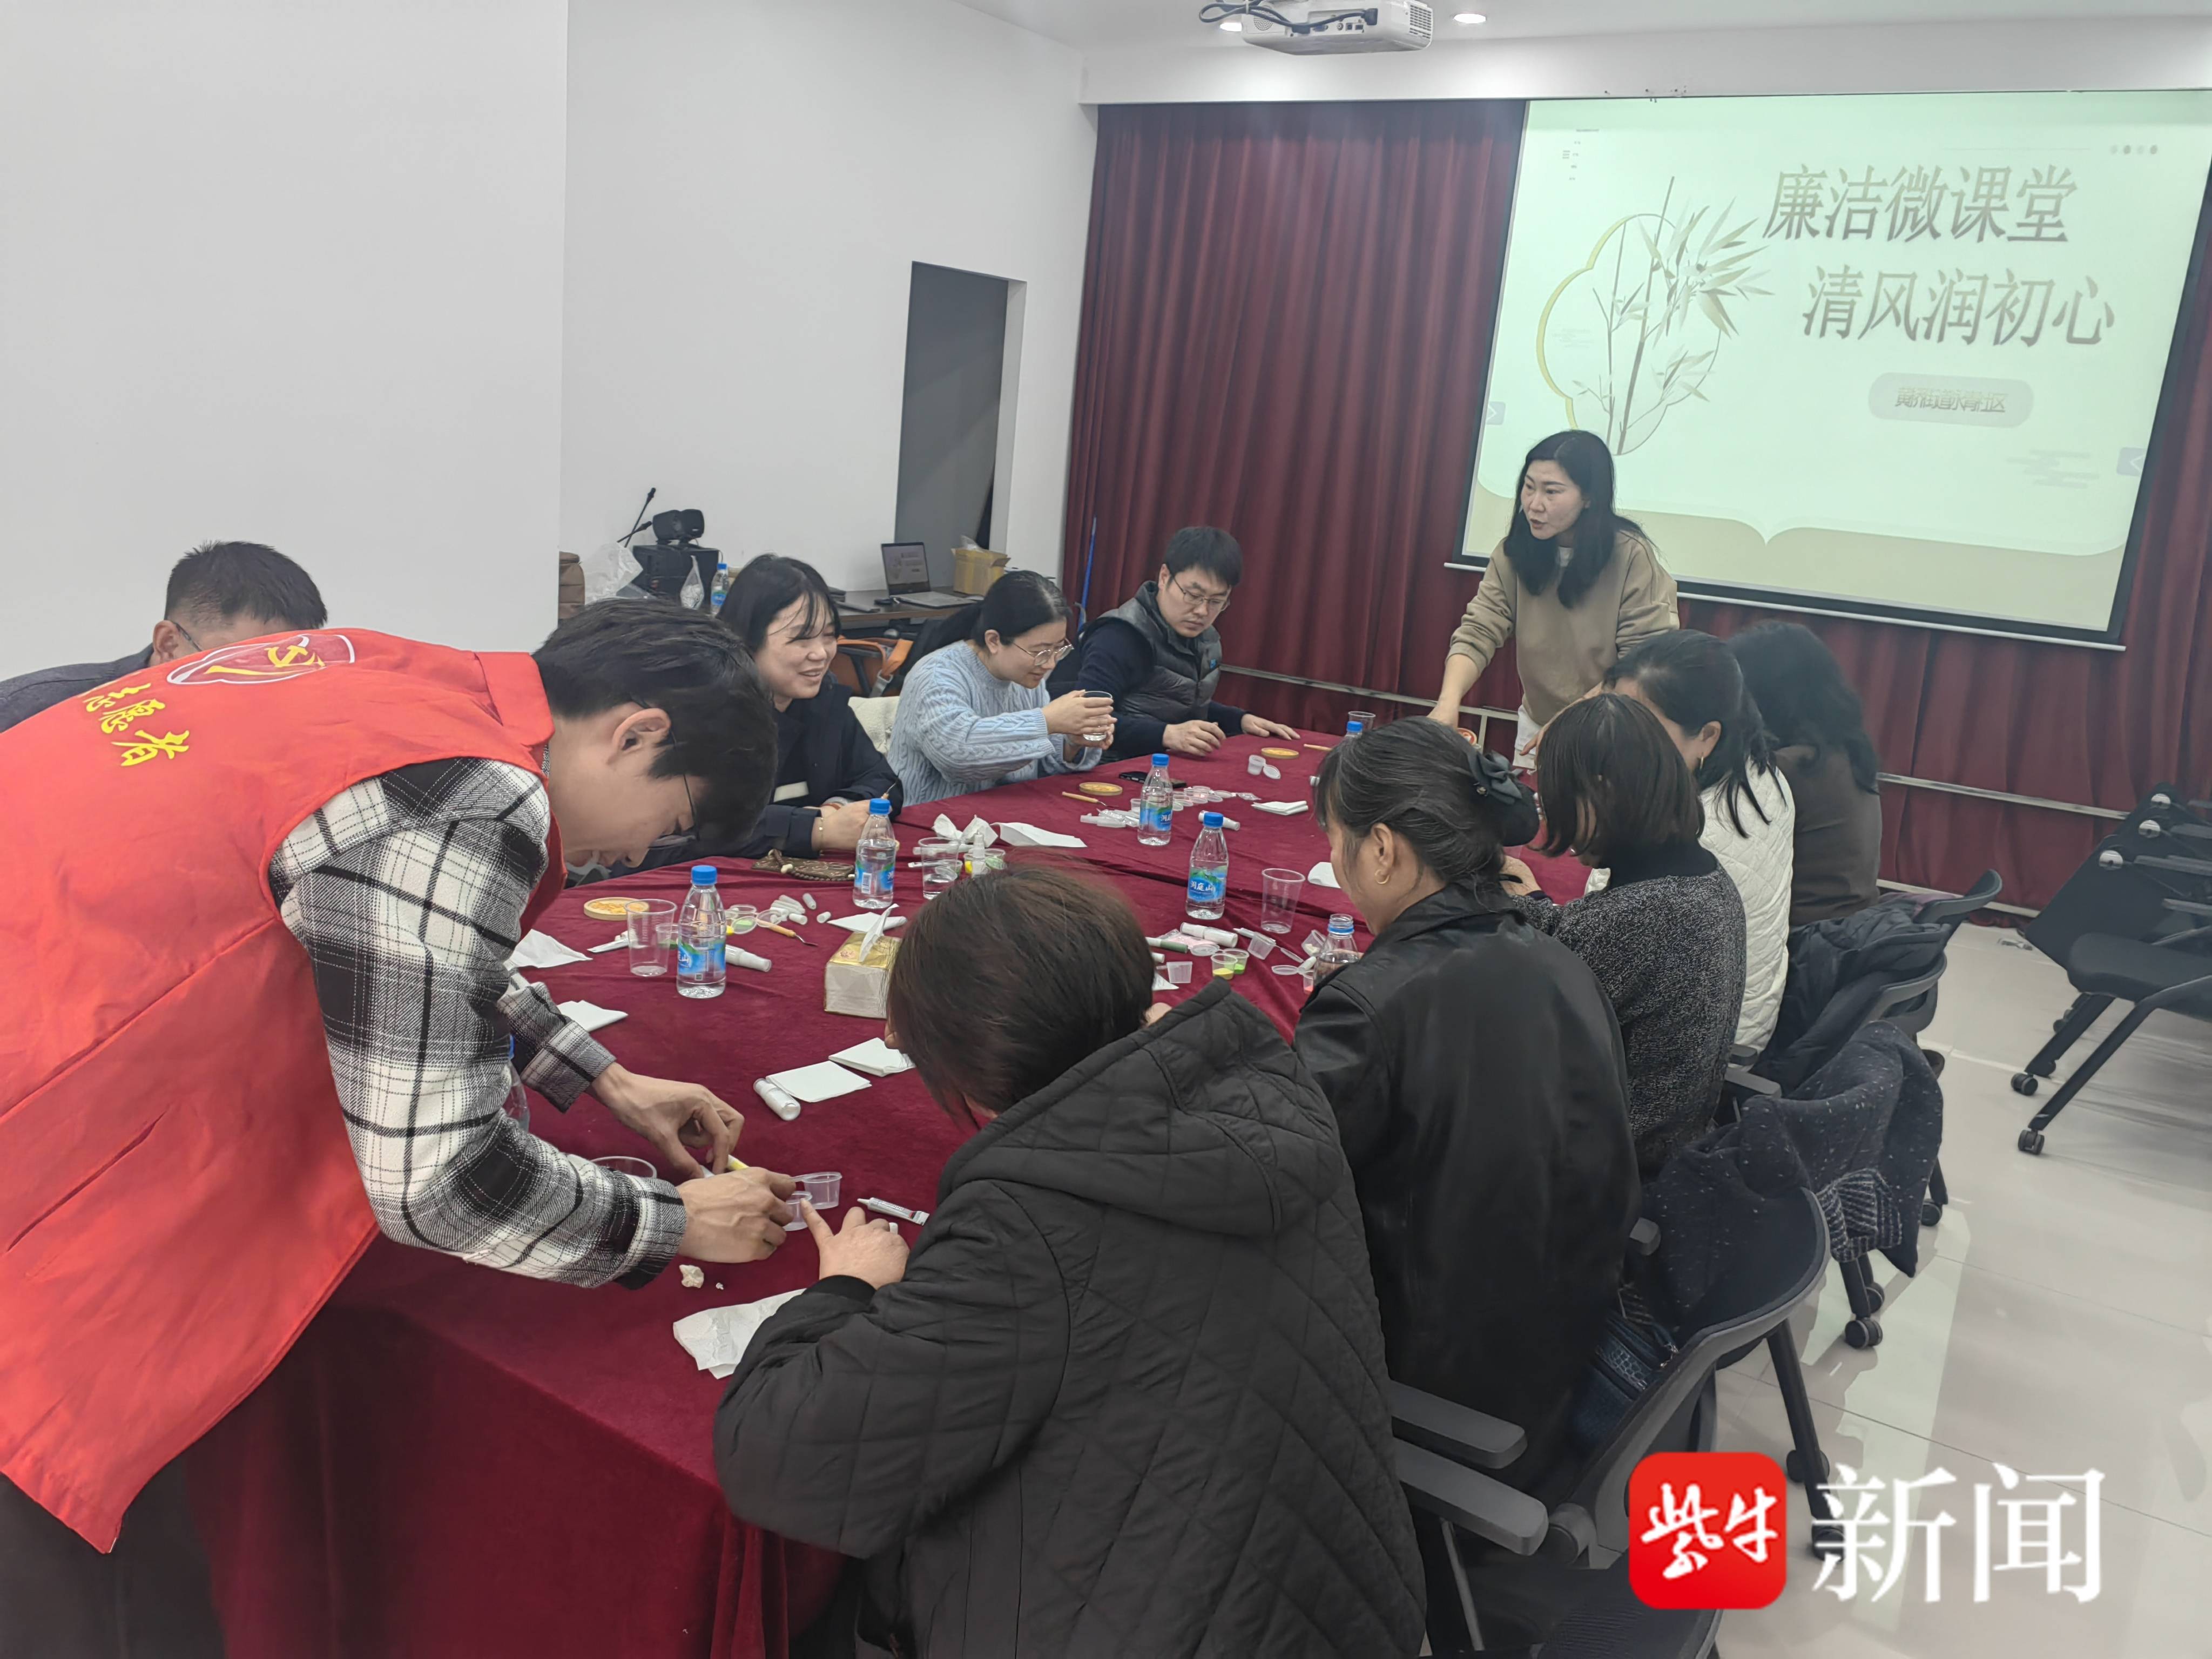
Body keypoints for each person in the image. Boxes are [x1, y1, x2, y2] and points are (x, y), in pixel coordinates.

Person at [0, 602, 799, 1654]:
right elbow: (439, 1182)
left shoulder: (400, 680)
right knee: (86, 1599)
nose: (644, 848)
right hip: (43, 1170)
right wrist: (673, 1222)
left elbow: (393, 943)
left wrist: (602, 1077)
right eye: (672, 817)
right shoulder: (477, 788)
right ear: (636, 733)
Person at [716, 867, 1425, 1657]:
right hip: (1345, 1609)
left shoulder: (1027, 1227)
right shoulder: (1273, 1091)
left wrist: (845, 1286)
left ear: (975, 1064)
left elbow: (779, 1461)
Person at [1294, 719, 1638, 1486]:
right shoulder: (1562, 965)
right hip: (1559, 1363)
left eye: (1337, 839)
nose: (1335, 861)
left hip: (1424, 1388)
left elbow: (1270, 1178)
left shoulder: (1371, 1008)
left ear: (1384, 850)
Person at [1506, 694, 1746, 1176]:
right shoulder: (1704, 877)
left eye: (1556, 802)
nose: (1553, 822)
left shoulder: (1641, 917)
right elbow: (1584, 946)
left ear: (1602, 793)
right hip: (1669, 1136)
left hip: (1608, 1165)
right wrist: (1527, 901)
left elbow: (1529, 1018)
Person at [572, 556, 901, 882]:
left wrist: (837, 810)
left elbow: (884, 782)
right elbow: (690, 831)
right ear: (748, 639)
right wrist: (816, 829)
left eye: (829, 636)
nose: (821, 653)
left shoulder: (824, 702)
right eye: (801, 639)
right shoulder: (707, 713)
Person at [1427, 430, 1678, 763]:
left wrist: (1569, 722)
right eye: (1529, 487)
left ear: (1589, 497)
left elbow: (1641, 662)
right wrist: (1448, 703)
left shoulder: (1631, 556)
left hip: (1612, 731)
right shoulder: (1513, 553)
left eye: (1551, 492)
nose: (1534, 504)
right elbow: (1479, 631)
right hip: (1537, 726)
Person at [1599, 629, 1795, 1052]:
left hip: (1697, 1053)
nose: (1617, 745)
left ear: (1707, 735)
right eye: (1614, 718)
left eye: (1641, 730)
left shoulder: (1689, 833)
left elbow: (1597, 958)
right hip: (1738, 1019)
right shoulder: (1759, 771)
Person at [0, 540, 328, 733]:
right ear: (169, 644)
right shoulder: (30, 711)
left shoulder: (296, 729)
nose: (263, 686)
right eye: (239, 663)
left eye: (287, 668)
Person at [1046, 525, 1299, 758]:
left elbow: (1176, 703)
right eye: (1193, 595)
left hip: (1158, 763)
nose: (1202, 611)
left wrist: (1240, 720)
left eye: (1216, 601)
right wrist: (1167, 734)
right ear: (1165, 577)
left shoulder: (1205, 638)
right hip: (1100, 767)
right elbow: (1087, 721)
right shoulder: (1120, 635)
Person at [888, 569, 1115, 806]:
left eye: (1058, 648)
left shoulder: (1027, 676)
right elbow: (956, 755)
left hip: (1005, 815)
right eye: (1040, 652)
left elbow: (1042, 759)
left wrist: (1072, 741)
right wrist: (1047, 721)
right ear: (994, 641)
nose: (1050, 664)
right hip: (929, 819)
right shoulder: (936, 675)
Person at [1730, 621, 1884, 925]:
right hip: (1846, 926)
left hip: (1800, 934)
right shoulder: (1844, 751)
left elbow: (1730, 867)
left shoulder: (1789, 769)